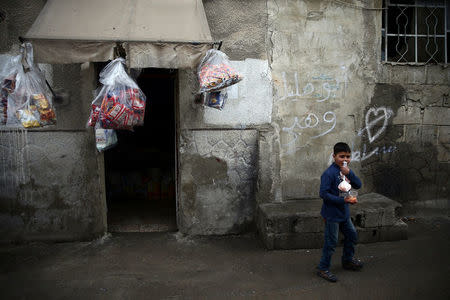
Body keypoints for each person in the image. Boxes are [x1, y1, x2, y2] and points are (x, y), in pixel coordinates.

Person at [316, 142, 363, 282]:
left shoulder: (346, 171)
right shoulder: (328, 174)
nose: (345, 160)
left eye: (348, 156)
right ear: (334, 156)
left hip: (344, 214)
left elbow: (358, 185)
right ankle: (323, 268)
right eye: (341, 156)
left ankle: (347, 260)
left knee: (352, 236)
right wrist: (343, 201)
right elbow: (323, 194)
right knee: (331, 242)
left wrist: (350, 174)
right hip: (332, 215)